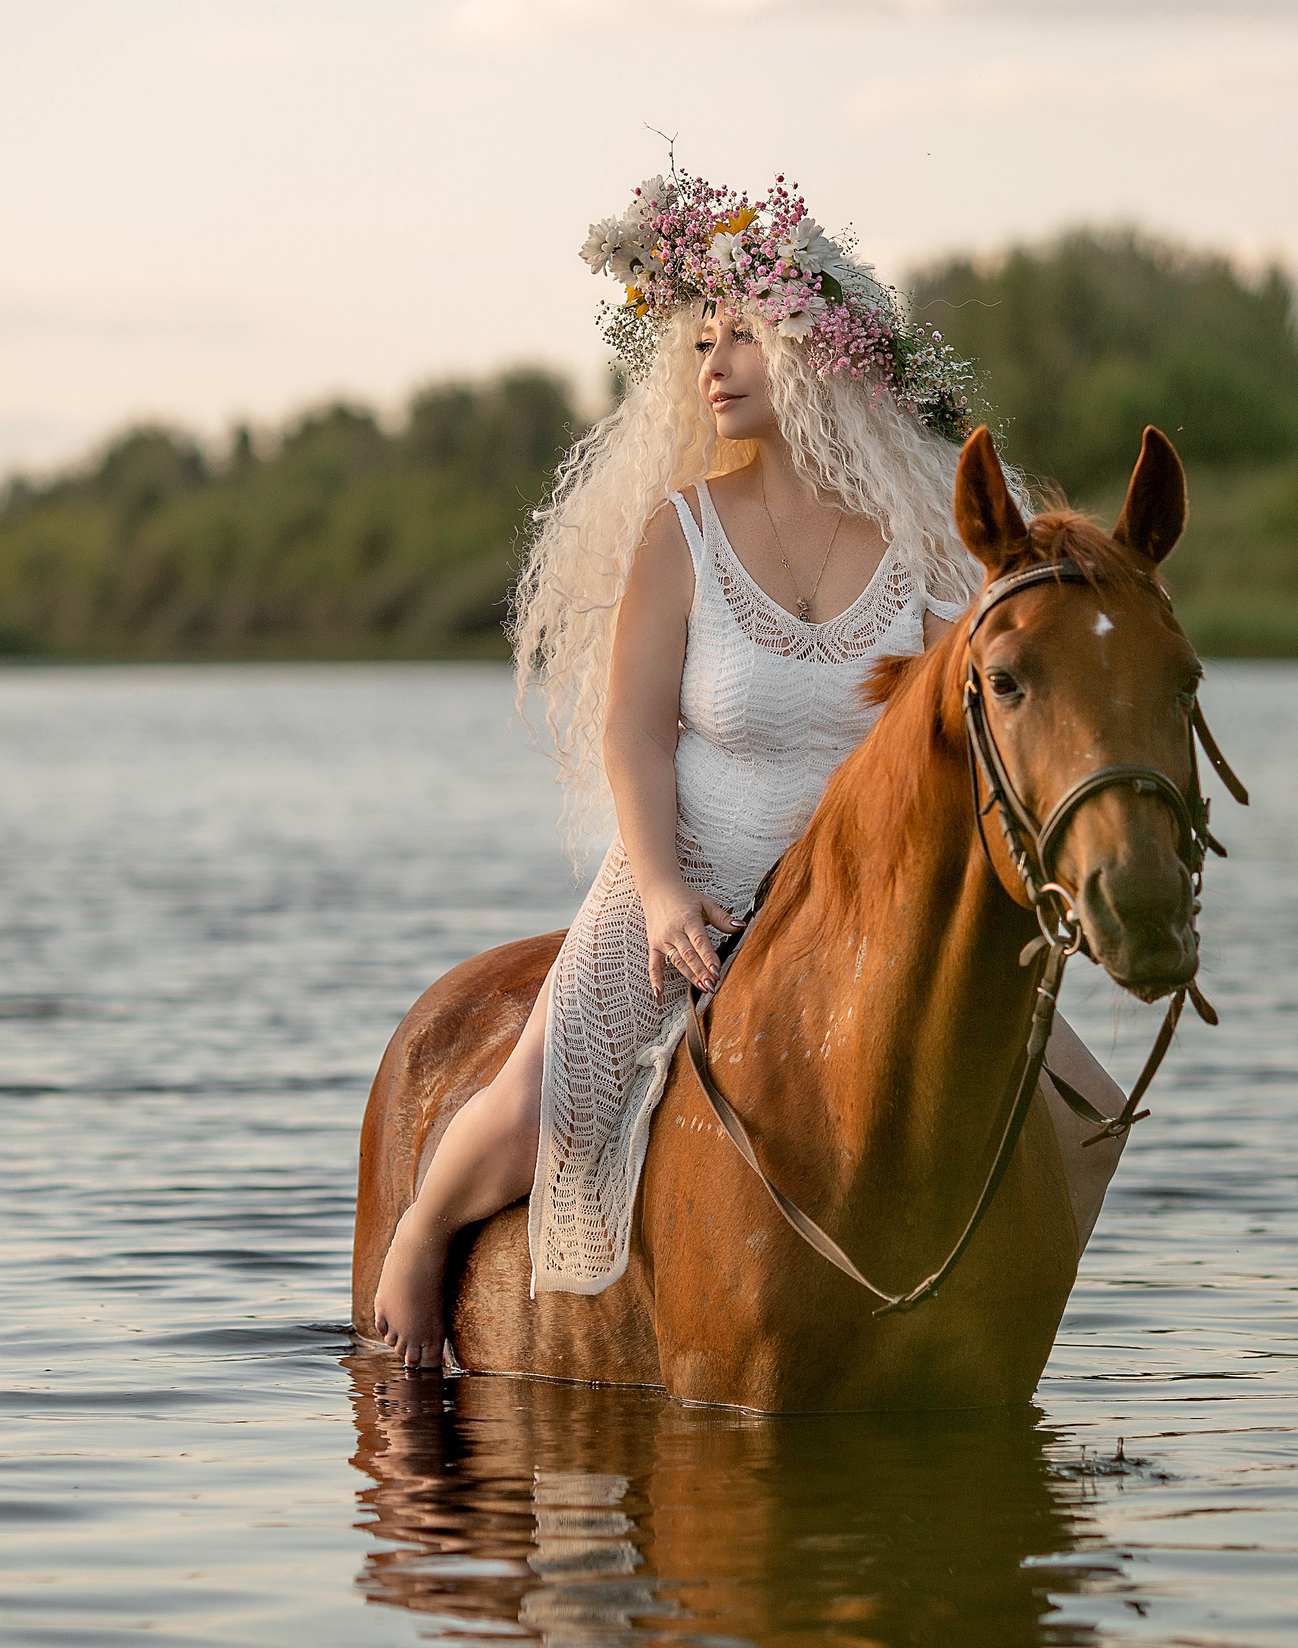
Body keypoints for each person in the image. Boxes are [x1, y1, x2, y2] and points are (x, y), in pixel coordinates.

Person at [372, 171, 1125, 1367]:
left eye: (743, 338)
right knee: (539, 1101)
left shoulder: (923, 546)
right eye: (700, 342)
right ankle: (419, 1236)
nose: (710, 364)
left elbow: (963, 735)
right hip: (698, 867)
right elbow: (633, 735)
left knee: (1077, 1111)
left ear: (817, 359)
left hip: (863, 893)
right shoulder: (682, 531)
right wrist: (664, 893)